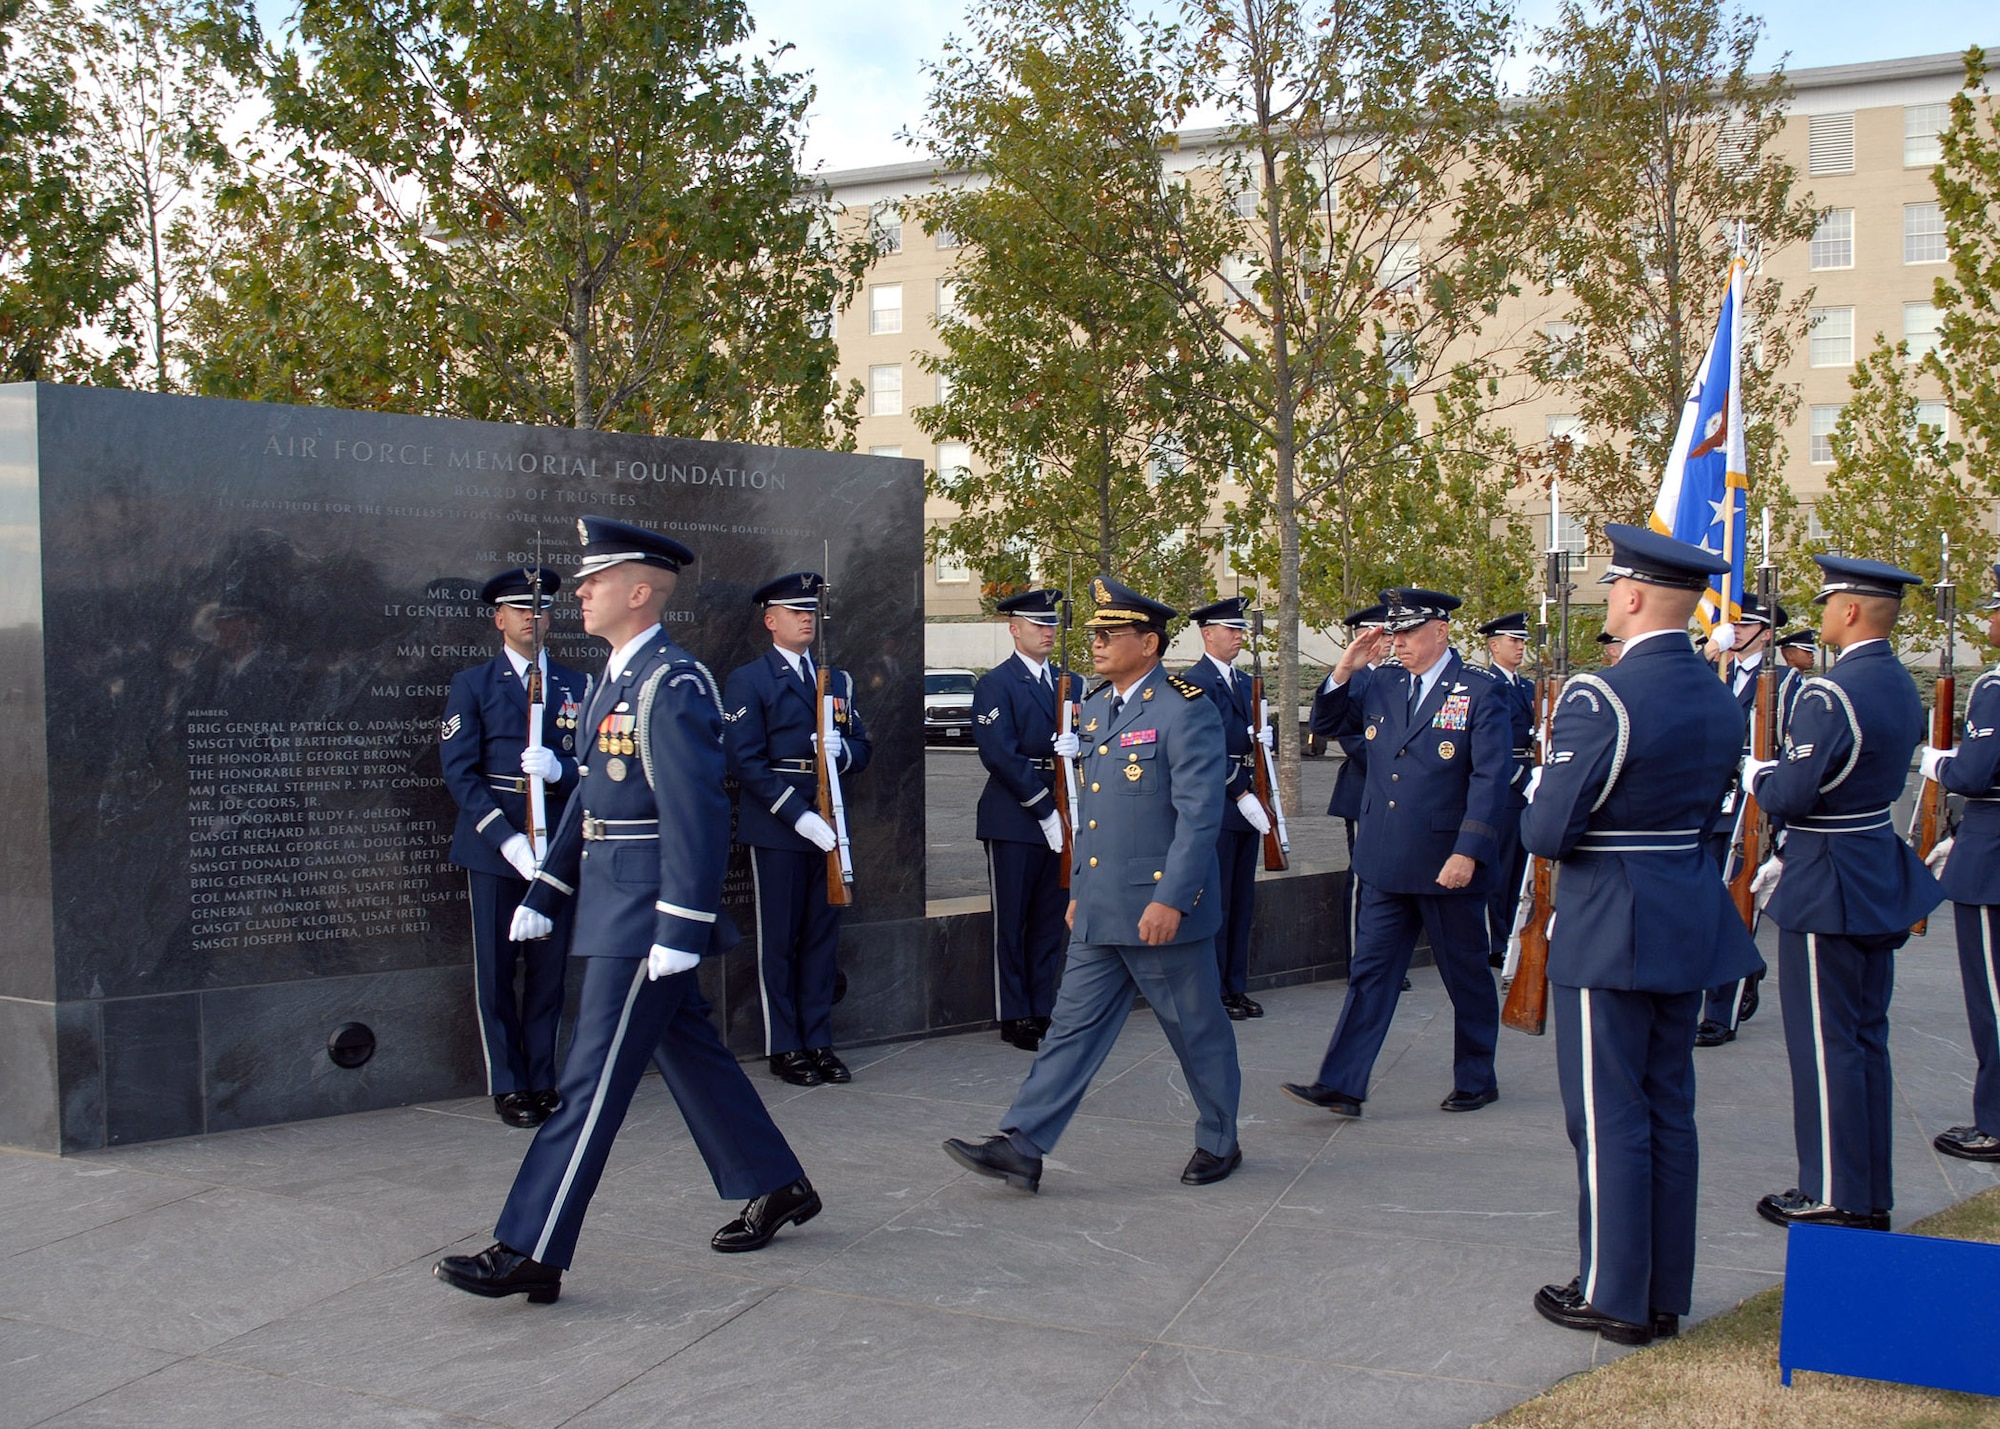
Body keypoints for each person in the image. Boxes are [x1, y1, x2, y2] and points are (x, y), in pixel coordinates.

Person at [434, 518, 819, 1305]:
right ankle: (778, 1182)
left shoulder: (672, 684)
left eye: (594, 580)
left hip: (646, 918)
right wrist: (546, 888)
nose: (577, 593)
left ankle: (530, 1246)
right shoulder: (614, 677)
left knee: (591, 1082)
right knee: (690, 1054)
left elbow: (700, 815)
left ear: (639, 592)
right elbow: (588, 801)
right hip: (611, 905)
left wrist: (680, 926)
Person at [1521, 524, 1763, 1347]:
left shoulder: (1602, 694)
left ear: (1630, 596)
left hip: (1610, 919)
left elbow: (1548, 830)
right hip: (1686, 908)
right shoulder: (1714, 689)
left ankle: (1613, 1292)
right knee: (1668, 1108)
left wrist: (1541, 789)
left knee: (1608, 1114)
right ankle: (1662, 1289)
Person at [942, 576, 1242, 1190]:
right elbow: (1094, 811)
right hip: (1102, 906)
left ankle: (1220, 1137)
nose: (1097, 643)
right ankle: (1023, 1143)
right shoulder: (1099, 704)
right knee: (1071, 1030)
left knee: (1195, 1032)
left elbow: (1199, 817)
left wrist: (1171, 899)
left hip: (1160, 909)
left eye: (1111, 634)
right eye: (1095, 633)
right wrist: (1079, 888)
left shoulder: (1186, 708)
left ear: (1150, 644)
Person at [1740, 554, 1944, 1229]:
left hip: (1829, 869)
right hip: (1870, 859)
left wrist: (1756, 774)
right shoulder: (1898, 684)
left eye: (1829, 603)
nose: (1823, 615)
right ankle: (1865, 1185)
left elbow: (1793, 794)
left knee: (1825, 1042)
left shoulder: (1831, 693)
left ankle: (1833, 1190)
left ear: (1851, 610)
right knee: (1863, 1036)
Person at [1281, 588, 1511, 1119]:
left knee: (1466, 974)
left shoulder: (1477, 691)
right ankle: (1342, 1083)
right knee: (1371, 974)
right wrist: (1345, 669)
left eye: (1408, 633)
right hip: (1384, 857)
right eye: (1394, 633)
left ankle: (1477, 1076)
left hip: (1446, 861)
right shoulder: (1382, 681)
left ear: (1442, 631)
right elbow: (1327, 723)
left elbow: (1490, 778)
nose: (1398, 642)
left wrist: (1469, 851)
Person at [438, 566, 590, 1128]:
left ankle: (542, 1076)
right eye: (519, 609)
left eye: (541, 608)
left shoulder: (577, 686)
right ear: (499, 619)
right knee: (498, 969)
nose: (532, 616)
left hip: (559, 847)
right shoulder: (473, 684)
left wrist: (563, 770)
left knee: (549, 970)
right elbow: (460, 774)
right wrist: (506, 841)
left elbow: (602, 767)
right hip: (494, 849)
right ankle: (507, 1082)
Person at [724, 572, 874, 1087]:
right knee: (781, 941)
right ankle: (784, 1045)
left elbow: (864, 746)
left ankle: (819, 1040)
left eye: (810, 611)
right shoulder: (750, 680)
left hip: (832, 826)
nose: (806, 618)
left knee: (820, 941)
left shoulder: (838, 681)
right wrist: (798, 814)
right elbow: (745, 760)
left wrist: (845, 752)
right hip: (779, 828)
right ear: (771, 621)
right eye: (794, 611)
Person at [1916, 564, 2000, 1164]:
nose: (1990, 620)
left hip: (1994, 856)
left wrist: (1937, 760)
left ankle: (1995, 1122)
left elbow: (1974, 773)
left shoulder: (1995, 688)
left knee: (1992, 1000)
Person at [973, 588, 1076, 1051]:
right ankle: (1014, 1014)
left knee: (1049, 921)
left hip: (1062, 809)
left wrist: (1080, 748)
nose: (1047, 631)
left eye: (1051, 624)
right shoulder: (996, 684)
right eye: (1037, 624)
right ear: (1014, 629)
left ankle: (1041, 1006)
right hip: (1014, 816)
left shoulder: (1067, 682)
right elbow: (999, 754)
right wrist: (1043, 808)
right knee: (1012, 922)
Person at [1695, 591, 1784, 1048]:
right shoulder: (1712, 672)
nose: (1734, 632)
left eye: (1744, 625)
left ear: (1765, 633)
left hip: (1750, 808)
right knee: (1707, 907)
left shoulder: (1785, 683)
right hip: (1705, 806)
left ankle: (1718, 1014)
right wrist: (1709, 651)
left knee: (1733, 906)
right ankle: (1745, 963)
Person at [1180, 595, 1273, 1020]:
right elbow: (1203, 750)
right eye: (1230, 630)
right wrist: (1240, 791)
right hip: (1217, 803)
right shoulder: (1194, 682)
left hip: (1247, 801)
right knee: (1214, 903)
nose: (1239, 637)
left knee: (1242, 901)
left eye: (1240, 630)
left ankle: (1236, 985)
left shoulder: (1242, 681)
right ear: (1207, 634)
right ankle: (1212, 989)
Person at [1478, 611, 1537, 970]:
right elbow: (1490, 744)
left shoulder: (1526, 687)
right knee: (1498, 870)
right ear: (1493, 645)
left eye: (1522, 642)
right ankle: (1495, 941)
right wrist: (1519, 778)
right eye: (1513, 641)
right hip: (1506, 784)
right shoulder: (1489, 685)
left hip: (1529, 784)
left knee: (1519, 869)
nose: (1520, 648)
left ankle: (1515, 933)